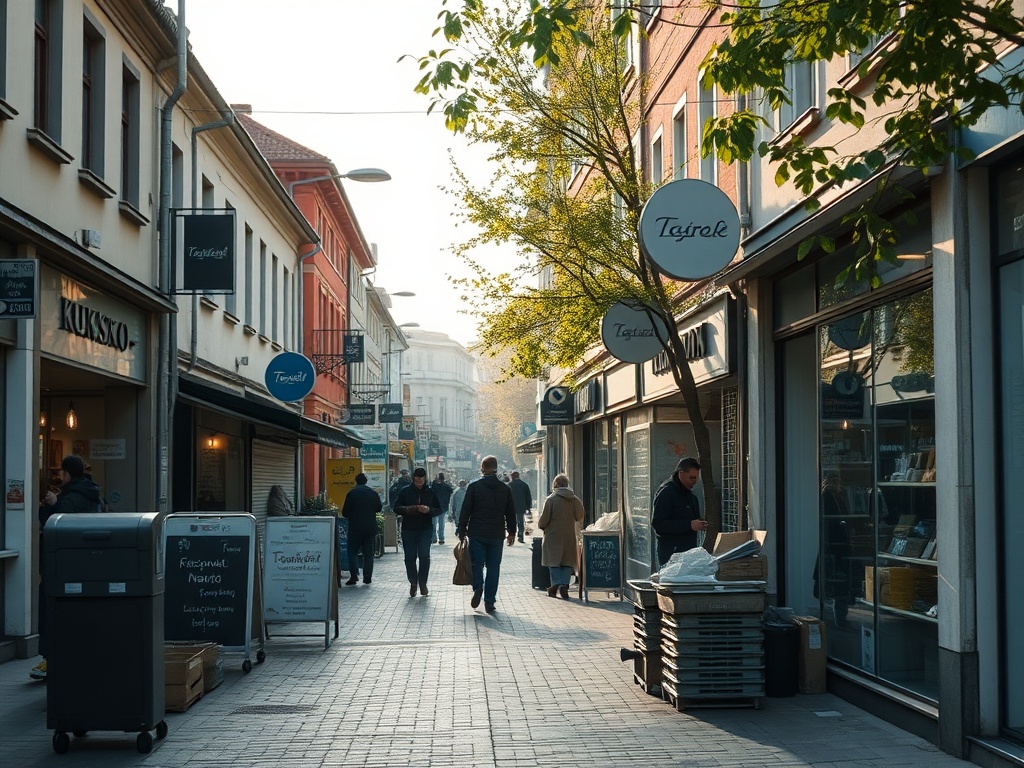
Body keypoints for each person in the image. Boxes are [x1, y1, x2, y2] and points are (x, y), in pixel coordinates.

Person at [32, 454, 104, 681]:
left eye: (60, 472)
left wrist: (54, 505)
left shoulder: (71, 498)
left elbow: (61, 527)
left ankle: (51, 659)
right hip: (84, 564)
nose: (58, 476)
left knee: (51, 610)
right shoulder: (91, 493)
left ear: (67, 474)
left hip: (64, 564)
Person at [457, 455, 515, 614]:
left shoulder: (474, 487)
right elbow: (510, 513)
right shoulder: (505, 489)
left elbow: (466, 510)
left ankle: (478, 587)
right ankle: (490, 601)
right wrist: (512, 532)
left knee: (477, 563)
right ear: (496, 469)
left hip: (477, 532)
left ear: (482, 469)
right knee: (493, 567)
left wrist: (461, 530)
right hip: (496, 533)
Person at [394, 467, 442, 597]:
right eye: (417, 478)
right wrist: (408, 509)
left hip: (425, 529)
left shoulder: (430, 492)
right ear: (413, 478)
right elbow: (396, 507)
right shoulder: (405, 491)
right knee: (409, 558)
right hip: (408, 529)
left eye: (422, 478)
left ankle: (423, 583)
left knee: (424, 557)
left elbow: (438, 509)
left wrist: (428, 510)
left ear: (425, 478)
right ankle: (413, 582)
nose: (420, 481)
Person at [651, 457, 707, 567]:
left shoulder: (690, 495)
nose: (694, 481)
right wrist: (689, 525)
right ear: (681, 474)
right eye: (691, 477)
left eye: (696, 478)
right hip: (671, 554)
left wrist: (699, 523)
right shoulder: (667, 493)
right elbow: (658, 524)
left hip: (687, 553)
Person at [538, 473, 584, 599]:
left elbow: (543, 520)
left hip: (553, 536)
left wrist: (542, 526)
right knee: (567, 562)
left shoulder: (551, 500)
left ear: (555, 485)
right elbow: (579, 516)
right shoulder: (574, 499)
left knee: (554, 562)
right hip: (569, 535)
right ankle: (564, 585)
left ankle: (555, 585)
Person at [341, 473, 382, 586]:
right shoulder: (373, 493)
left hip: (355, 527)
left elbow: (345, 513)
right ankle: (367, 577)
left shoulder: (352, 493)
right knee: (368, 552)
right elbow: (379, 508)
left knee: (352, 550)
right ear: (366, 481)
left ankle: (354, 576)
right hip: (369, 527)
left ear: (356, 481)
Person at [507, 471, 533, 543]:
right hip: (521, 506)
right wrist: (528, 507)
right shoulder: (524, 485)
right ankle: (520, 536)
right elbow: (528, 497)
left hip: (511, 507)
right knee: (520, 521)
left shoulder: (509, 485)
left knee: (511, 522)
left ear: (512, 477)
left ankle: (511, 536)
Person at [429, 472, 454, 544]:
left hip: (436, 507)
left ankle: (435, 538)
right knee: (439, 523)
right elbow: (451, 491)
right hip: (441, 507)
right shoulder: (445, 486)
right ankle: (440, 538)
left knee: (435, 524)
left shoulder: (433, 486)